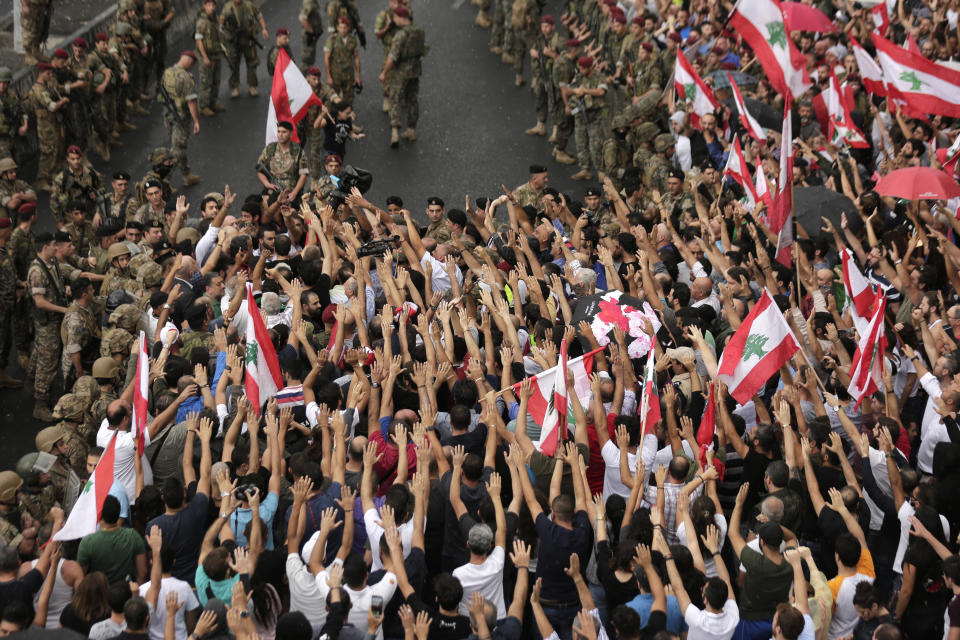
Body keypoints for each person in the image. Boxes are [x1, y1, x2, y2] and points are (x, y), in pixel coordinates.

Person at [379, 6, 424, 147]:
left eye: (395, 17)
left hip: (400, 72)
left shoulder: (400, 35)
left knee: (395, 98)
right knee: (412, 99)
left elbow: (392, 57)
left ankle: (395, 132)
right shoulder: (419, 32)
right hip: (415, 71)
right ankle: (411, 129)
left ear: (400, 18)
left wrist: (384, 72)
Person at [159, 51, 201, 187]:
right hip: (181, 117)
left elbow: (163, 96)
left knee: (178, 146)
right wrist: (196, 121)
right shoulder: (185, 77)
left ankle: (187, 175)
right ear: (189, 61)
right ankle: (164, 180)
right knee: (177, 150)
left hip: (169, 114)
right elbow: (191, 101)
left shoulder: (167, 73)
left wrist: (165, 115)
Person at [220, 0, 269, 98]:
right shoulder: (227, 8)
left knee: (252, 62)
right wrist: (224, 40)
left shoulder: (248, 5)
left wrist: (264, 28)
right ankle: (234, 87)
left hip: (248, 39)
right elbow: (221, 25)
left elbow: (259, 16)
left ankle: (252, 86)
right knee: (233, 64)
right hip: (234, 41)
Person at [195, 0, 226, 117]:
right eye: (209, 5)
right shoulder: (202, 22)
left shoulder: (216, 20)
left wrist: (224, 49)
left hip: (216, 54)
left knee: (216, 80)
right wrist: (204, 57)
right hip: (207, 56)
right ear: (205, 6)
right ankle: (203, 106)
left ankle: (212, 103)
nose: (212, 8)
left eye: (213, 5)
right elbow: (198, 40)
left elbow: (219, 36)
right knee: (206, 81)